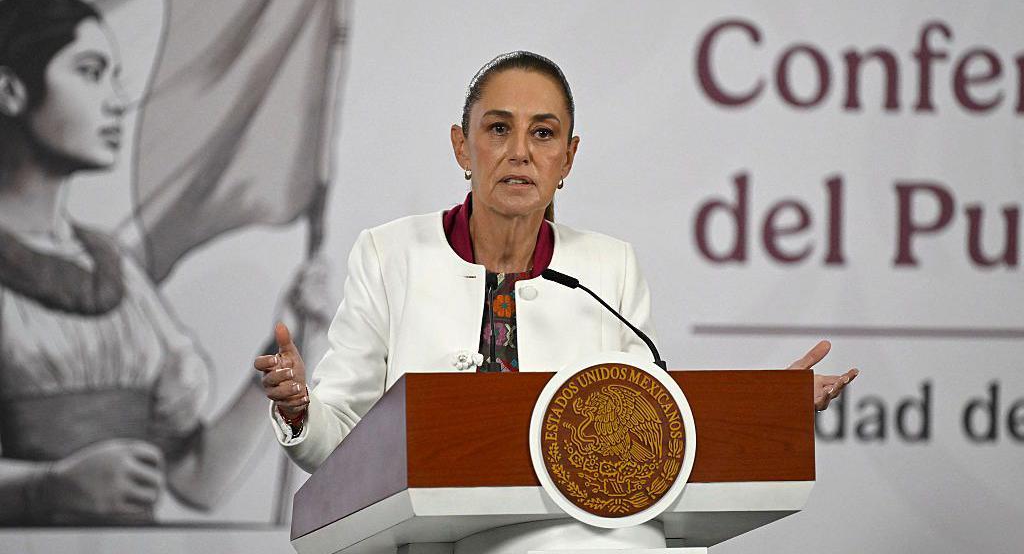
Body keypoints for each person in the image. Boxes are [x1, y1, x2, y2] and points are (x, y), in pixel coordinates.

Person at [256, 51, 859, 478]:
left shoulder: (609, 269)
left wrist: (770, 405)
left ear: (568, 157)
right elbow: (336, 436)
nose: (520, 152)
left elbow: (653, 429)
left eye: (544, 134)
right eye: (498, 129)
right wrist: (301, 410)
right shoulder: (389, 255)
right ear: (462, 145)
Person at [0, 0, 328, 525]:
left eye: (114, 76)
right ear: (11, 91)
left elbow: (198, 479)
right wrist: (46, 489)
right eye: (89, 71)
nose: (116, 100)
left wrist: (289, 342)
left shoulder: (115, 271)